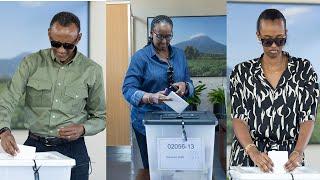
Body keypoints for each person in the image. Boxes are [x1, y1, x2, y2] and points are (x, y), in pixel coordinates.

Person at [0, 12, 106, 180]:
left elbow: (100, 117)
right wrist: (4, 131)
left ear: (78, 38)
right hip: (35, 147)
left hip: (74, 150)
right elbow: (8, 99)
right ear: (49, 34)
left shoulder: (92, 70)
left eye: (68, 45)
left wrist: (83, 128)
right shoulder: (31, 63)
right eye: (55, 44)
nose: (61, 50)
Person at [229, 9, 319, 173]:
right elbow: (238, 118)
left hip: (289, 160)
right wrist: (253, 151)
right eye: (267, 41)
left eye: (280, 39)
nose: (274, 46)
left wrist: (298, 151)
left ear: (286, 33)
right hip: (248, 159)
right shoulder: (241, 72)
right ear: (258, 35)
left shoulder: (304, 69)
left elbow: (308, 116)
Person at [122, 15, 194, 169]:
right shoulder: (140, 57)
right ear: (151, 33)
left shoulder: (180, 55)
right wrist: (150, 97)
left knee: (175, 166)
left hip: (175, 120)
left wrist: (185, 86)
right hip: (147, 123)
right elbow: (127, 89)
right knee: (154, 168)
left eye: (168, 36)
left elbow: (190, 83)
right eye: (160, 36)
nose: (164, 41)